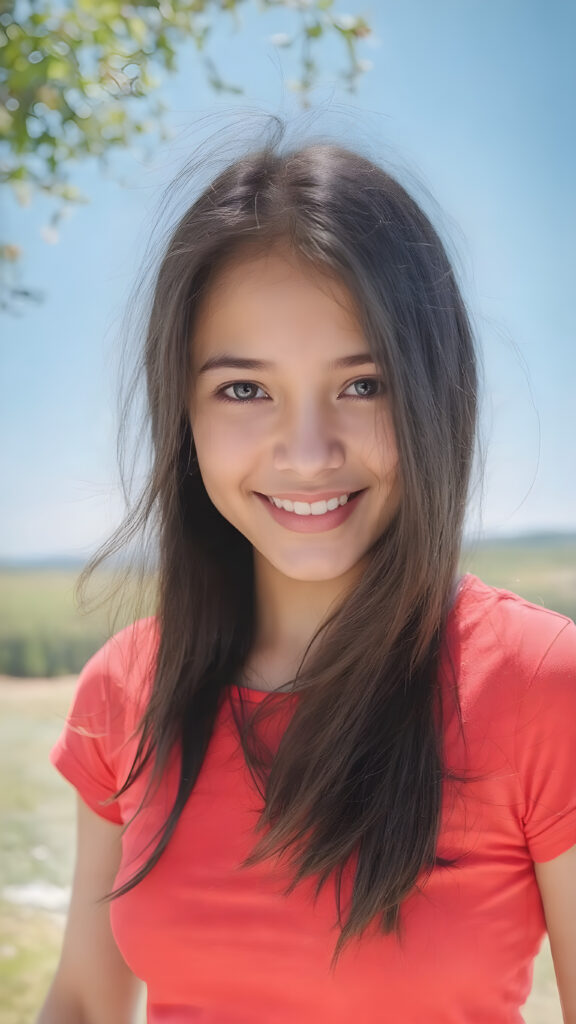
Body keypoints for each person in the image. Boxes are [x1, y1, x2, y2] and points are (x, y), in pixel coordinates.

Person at [37, 128, 576, 1024]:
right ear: (187, 415)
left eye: (362, 385)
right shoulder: (126, 690)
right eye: (245, 390)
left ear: (436, 393)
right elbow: (91, 1003)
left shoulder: (543, 685)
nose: (309, 453)